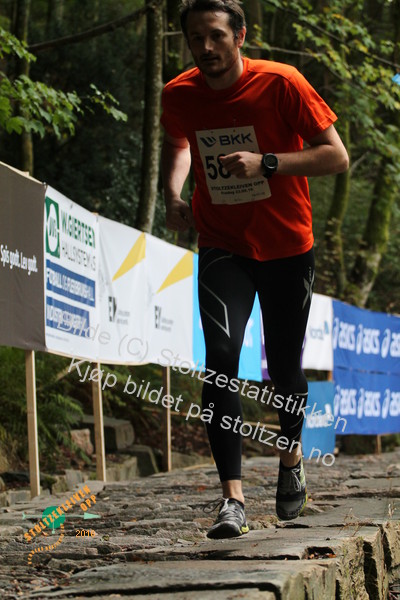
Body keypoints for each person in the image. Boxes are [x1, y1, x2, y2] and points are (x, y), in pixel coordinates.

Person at [160, 0, 349, 539]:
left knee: (285, 367)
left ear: (239, 36)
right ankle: (233, 500)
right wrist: (172, 194)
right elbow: (178, 143)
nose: (206, 47)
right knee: (220, 360)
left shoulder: (282, 83)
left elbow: (335, 156)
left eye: (216, 35)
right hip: (223, 243)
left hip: (287, 246)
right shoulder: (178, 93)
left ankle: (291, 460)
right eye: (195, 38)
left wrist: (267, 162)